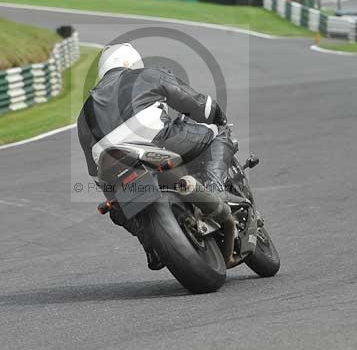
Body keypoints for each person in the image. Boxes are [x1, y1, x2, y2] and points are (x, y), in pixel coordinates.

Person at [77, 43, 237, 269]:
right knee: (219, 132)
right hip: (157, 140)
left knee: (115, 208)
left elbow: (94, 172)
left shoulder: (84, 112)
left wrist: (115, 200)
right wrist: (216, 116)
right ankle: (216, 188)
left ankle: (149, 243)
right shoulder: (147, 75)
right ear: (130, 63)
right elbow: (196, 103)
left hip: (112, 161)